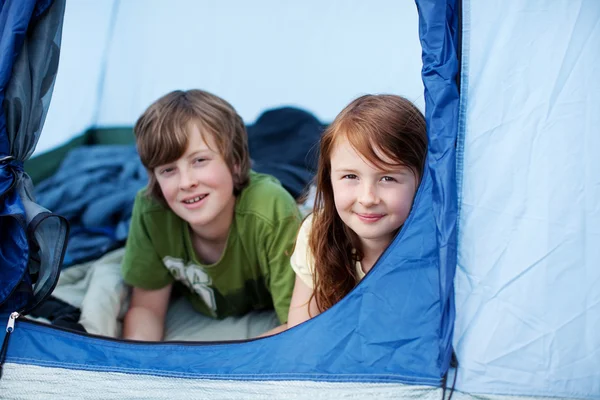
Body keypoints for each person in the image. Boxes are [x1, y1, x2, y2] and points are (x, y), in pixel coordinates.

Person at [121, 89, 301, 341]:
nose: (186, 182)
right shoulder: (152, 211)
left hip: (289, 181)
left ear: (235, 162)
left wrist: (221, 366)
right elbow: (146, 308)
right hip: (230, 184)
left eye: (199, 161)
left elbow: (301, 326)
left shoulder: (271, 210)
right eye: (168, 169)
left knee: (297, 141)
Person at [286, 94, 427, 328]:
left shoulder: (434, 246)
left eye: (387, 178)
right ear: (328, 179)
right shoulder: (316, 234)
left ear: (422, 181)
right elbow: (300, 333)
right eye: (350, 176)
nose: (368, 198)